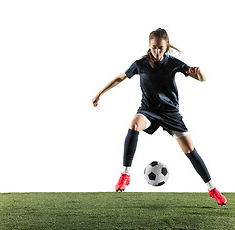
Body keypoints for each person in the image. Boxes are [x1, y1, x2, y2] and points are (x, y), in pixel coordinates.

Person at [92, 28, 227, 206]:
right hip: (148, 110)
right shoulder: (141, 64)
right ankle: (125, 175)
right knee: (134, 124)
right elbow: (121, 77)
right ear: (150, 46)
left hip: (170, 113)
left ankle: (213, 189)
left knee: (190, 151)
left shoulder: (173, 63)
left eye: (161, 48)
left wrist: (199, 71)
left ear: (166, 47)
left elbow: (202, 79)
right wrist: (100, 93)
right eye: (154, 47)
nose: (157, 51)